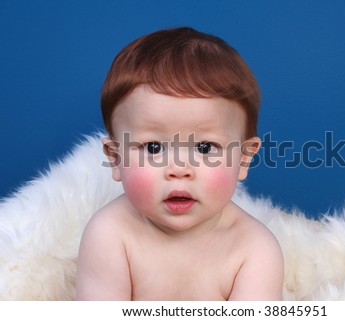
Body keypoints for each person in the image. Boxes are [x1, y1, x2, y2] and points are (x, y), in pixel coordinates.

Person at [76, 27, 284, 300]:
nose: (179, 169)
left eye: (205, 147)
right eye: (153, 147)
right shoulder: (110, 234)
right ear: (116, 158)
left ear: (244, 157)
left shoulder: (255, 249)